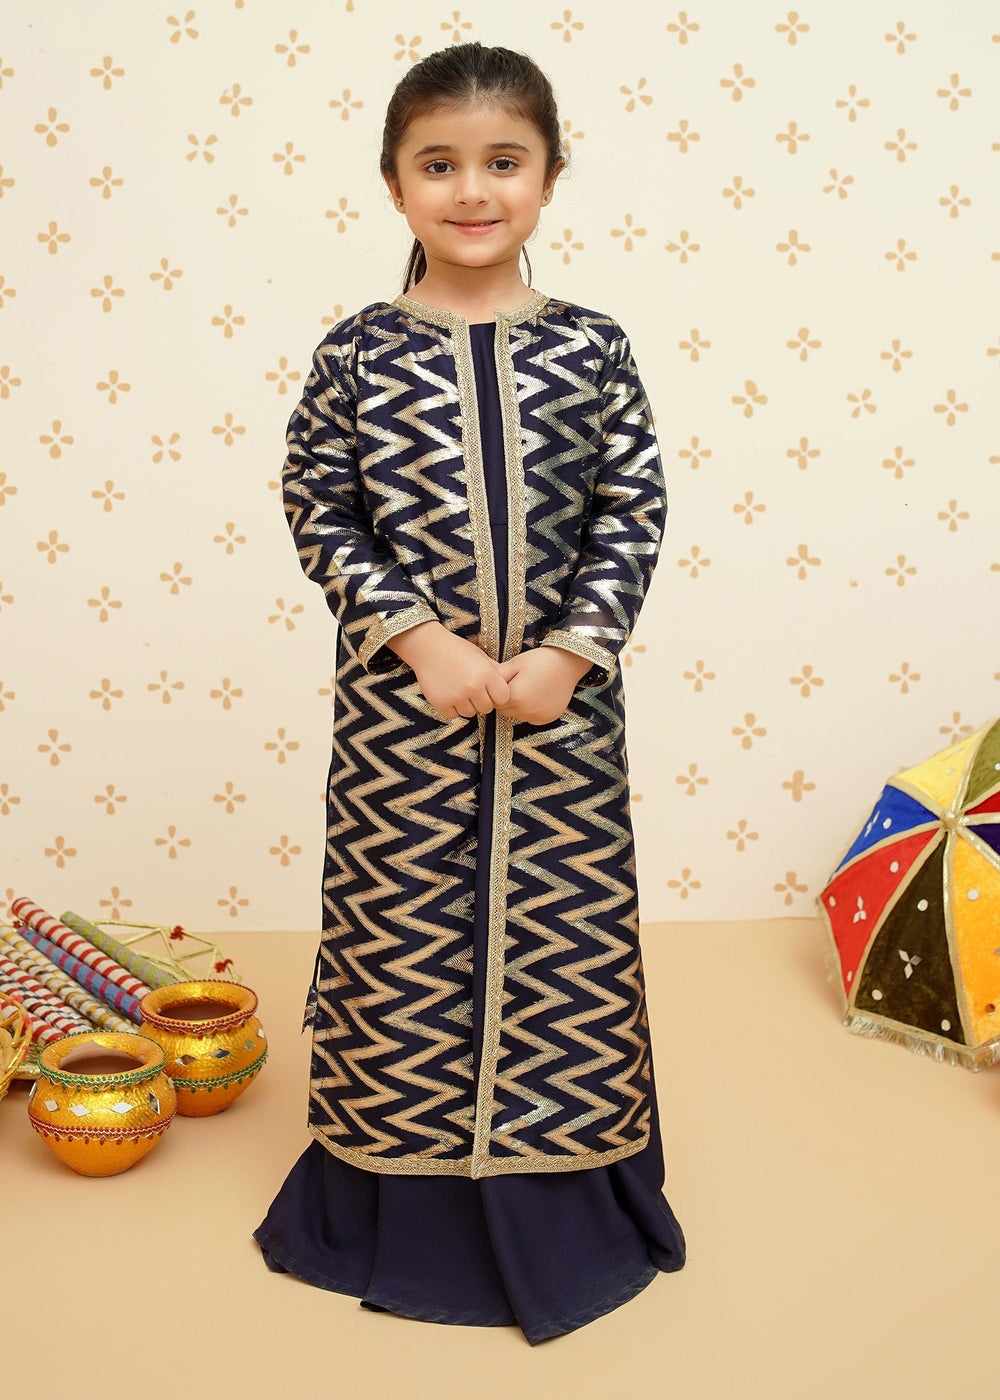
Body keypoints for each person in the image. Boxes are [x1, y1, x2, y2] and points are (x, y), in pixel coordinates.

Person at [252, 40, 686, 1344]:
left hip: (564, 723)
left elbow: (631, 509)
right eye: (438, 164)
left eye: (504, 161)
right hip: (403, 725)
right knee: (397, 941)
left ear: (550, 176)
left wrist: (572, 652)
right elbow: (319, 505)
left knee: (563, 944)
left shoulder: (594, 351)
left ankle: (563, 1203)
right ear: (395, 184)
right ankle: (397, 1204)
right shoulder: (358, 356)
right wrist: (416, 639)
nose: (473, 189)